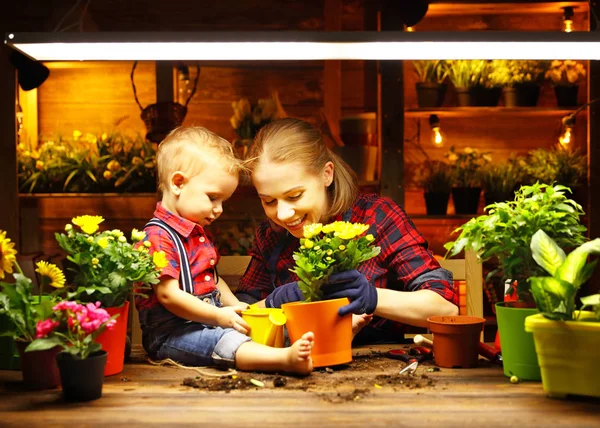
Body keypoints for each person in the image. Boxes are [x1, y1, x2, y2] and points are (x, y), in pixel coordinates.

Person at [235, 118, 459, 344]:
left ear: (327, 174)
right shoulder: (271, 235)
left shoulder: (378, 218)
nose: (282, 214)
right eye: (269, 201)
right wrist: (276, 301)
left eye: (295, 196)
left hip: (378, 362)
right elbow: (238, 318)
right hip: (297, 361)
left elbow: (446, 309)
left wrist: (371, 298)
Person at [136, 126, 314, 375]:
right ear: (178, 183)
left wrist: (239, 307)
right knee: (226, 341)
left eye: (223, 201)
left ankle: (317, 341)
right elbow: (168, 296)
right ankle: (284, 360)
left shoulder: (196, 233)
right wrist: (219, 317)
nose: (219, 209)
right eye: (212, 198)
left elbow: (214, 281)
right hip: (172, 334)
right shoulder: (157, 237)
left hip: (206, 323)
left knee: (253, 327)